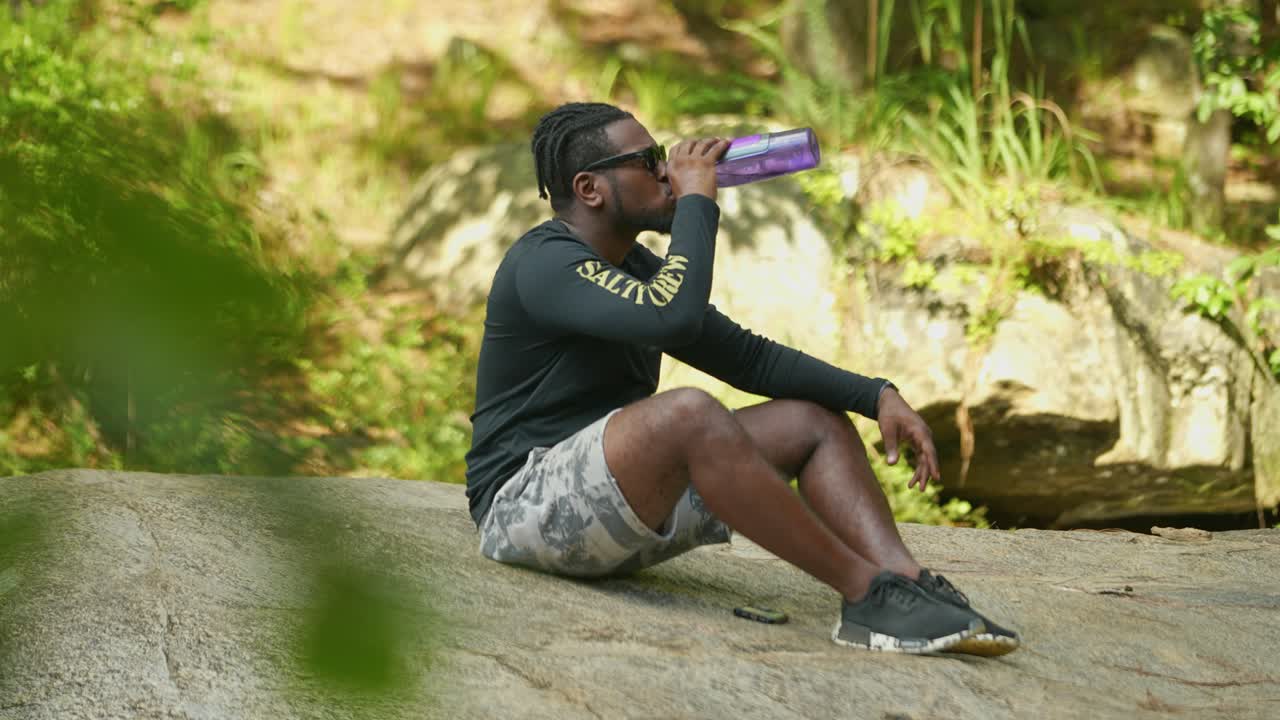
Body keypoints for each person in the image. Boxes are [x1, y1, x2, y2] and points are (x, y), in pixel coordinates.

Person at [464, 101, 1019, 656]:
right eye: (649, 159)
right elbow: (672, 315)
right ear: (590, 188)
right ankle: (865, 591)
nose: (667, 171)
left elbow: (751, 360)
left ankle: (907, 586)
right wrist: (698, 203)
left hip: (618, 506)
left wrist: (877, 395)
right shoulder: (543, 263)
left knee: (813, 420)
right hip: (523, 508)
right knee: (690, 412)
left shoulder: (633, 272)